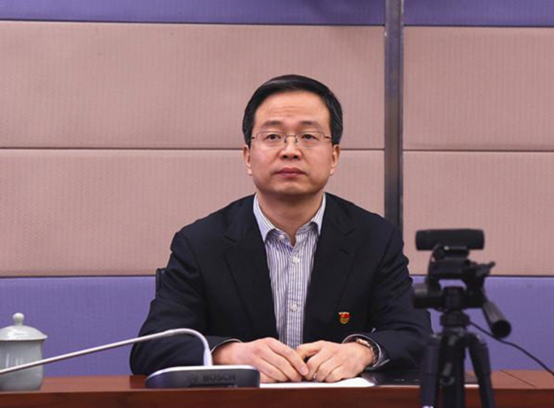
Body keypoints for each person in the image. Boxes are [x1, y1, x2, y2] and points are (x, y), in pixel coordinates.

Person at [130, 74, 431, 383]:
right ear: (248, 157)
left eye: (308, 136)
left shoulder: (374, 238)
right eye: (273, 136)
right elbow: (151, 348)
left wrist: (362, 351)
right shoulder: (200, 243)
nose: (290, 150)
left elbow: (415, 334)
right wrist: (231, 354)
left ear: (334, 157)